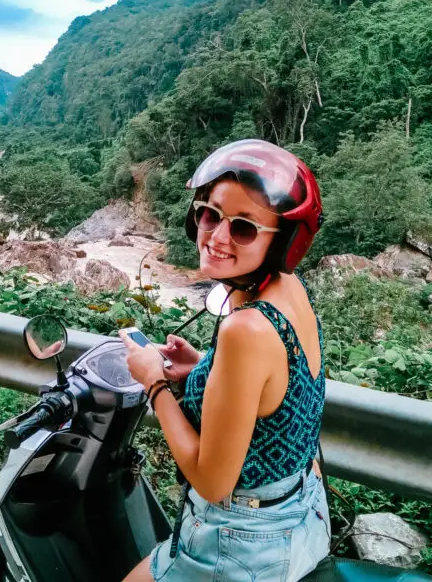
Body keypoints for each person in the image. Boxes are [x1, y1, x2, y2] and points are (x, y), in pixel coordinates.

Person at [121, 140, 330, 582]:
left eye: (244, 228)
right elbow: (277, 393)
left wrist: (155, 384)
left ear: (283, 242)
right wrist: (202, 368)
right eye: (210, 214)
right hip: (299, 514)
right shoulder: (290, 292)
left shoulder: (245, 328)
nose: (215, 237)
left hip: (241, 541)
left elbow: (213, 483)